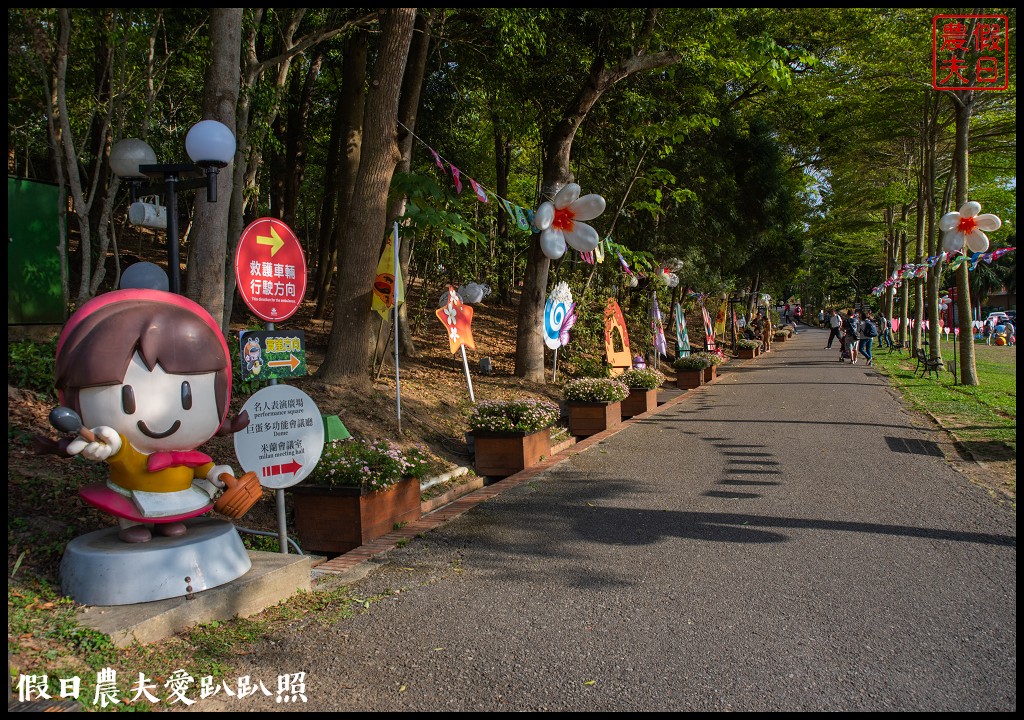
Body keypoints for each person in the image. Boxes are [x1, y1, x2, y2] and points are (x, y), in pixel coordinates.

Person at [53, 289, 250, 542]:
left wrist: (217, 474)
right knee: (130, 504)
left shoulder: (188, 453)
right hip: (133, 491)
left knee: (175, 519)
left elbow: (201, 466)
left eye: (186, 396)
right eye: (127, 399)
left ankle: (168, 521)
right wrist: (110, 443)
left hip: (179, 494)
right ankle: (130, 524)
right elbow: (122, 452)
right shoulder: (131, 451)